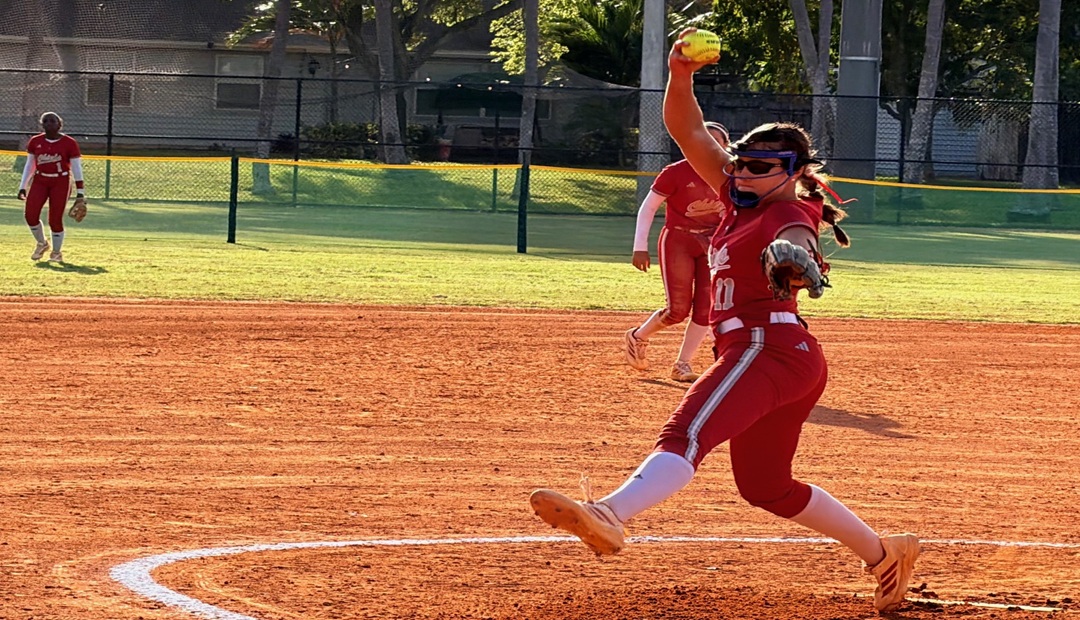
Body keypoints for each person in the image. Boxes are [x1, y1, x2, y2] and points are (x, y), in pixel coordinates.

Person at [529, 28, 919, 613]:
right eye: (740, 164)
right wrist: (680, 73)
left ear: (792, 171)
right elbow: (687, 130)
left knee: (686, 434)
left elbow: (796, 235)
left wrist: (799, 256)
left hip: (768, 349)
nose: (742, 173)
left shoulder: (789, 208)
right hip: (780, 357)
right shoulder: (741, 199)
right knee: (765, 486)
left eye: (759, 167)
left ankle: (610, 514)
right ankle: (885, 553)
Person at [625, 122, 732, 383]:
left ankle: (682, 364)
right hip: (679, 239)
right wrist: (640, 246)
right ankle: (638, 336)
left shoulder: (733, 174)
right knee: (678, 309)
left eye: (717, 141)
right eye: (704, 140)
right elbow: (649, 207)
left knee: (706, 309)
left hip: (713, 243)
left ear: (726, 146)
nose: (710, 146)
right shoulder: (676, 172)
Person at [18, 112, 86, 263]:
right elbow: (30, 164)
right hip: (40, 180)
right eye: (45, 121)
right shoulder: (35, 141)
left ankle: (56, 253)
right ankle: (42, 243)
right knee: (30, 215)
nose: (49, 123)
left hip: (60, 181)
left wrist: (80, 192)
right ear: (41, 124)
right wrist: (22, 186)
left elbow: (76, 168)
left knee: (54, 219)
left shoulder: (69, 142)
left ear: (59, 124)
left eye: (53, 121)